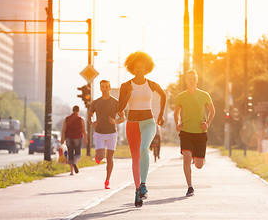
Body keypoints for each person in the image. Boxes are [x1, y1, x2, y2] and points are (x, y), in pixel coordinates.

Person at [118, 51, 166, 208]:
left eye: (142, 67)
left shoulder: (151, 84)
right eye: (136, 68)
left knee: (144, 148)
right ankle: (138, 190)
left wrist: (160, 115)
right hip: (132, 123)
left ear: (147, 68)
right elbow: (120, 107)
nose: (139, 70)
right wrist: (128, 95)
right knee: (135, 158)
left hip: (148, 122)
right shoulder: (126, 86)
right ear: (132, 68)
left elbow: (163, 95)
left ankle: (143, 184)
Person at [174, 69, 215, 197]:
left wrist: (207, 123)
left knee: (198, 165)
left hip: (200, 133)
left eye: (193, 79)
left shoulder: (204, 95)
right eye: (189, 79)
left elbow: (212, 111)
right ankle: (190, 186)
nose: (191, 81)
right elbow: (176, 113)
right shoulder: (181, 96)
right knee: (186, 158)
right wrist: (178, 124)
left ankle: (197, 156)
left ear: (196, 80)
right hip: (186, 132)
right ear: (186, 81)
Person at [88, 80, 125, 189]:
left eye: (106, 87)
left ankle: (107, 180)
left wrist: (115, 122)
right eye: (102, 87)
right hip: (99, 133)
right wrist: (92, 122)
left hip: (112, 133)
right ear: (100, 88)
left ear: (109, 88)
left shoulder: (116, 102)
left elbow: (122, 117)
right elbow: (89, 115)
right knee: (101, 156)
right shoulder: (96, 102)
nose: (104, 88)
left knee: (110, 158)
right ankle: (97, 157)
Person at [61, 105, 88, 175]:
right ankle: (75, 163)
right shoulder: (81, 119)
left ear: (72, 110)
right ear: (78, 111)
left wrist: (62, 139)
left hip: (69, 138)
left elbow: (63, 130)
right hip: (78, 138)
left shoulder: (67, 119)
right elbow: (84, 130)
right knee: (77, 153)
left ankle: (71, 172)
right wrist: (85, 139)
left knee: (70, 153)